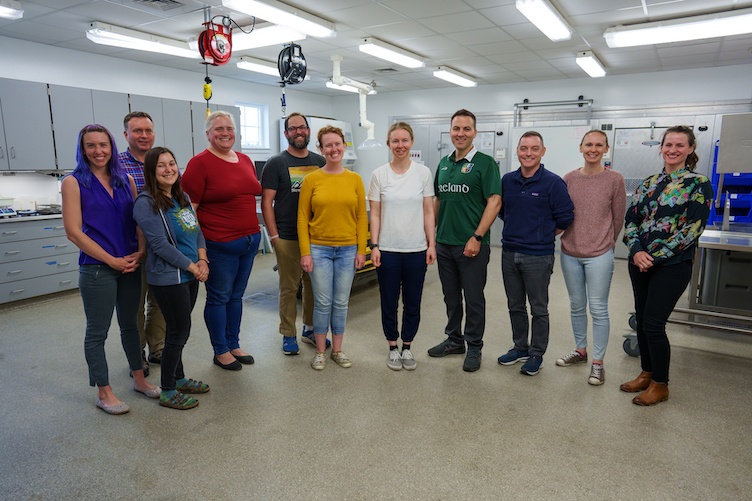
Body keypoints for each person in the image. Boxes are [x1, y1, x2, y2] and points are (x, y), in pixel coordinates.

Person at [62, 124, 160, 415]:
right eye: (91, 146)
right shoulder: (73, 182)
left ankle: (139, 379)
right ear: (83, 150)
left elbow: (137, 220)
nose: (98, 151)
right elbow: (74, 232)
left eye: (103, 145)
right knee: (98, 331)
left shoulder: (126, 179)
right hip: (97, 269)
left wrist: (141, 251)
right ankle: (103, 391)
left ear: (111, 146)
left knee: (131, 324)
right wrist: (110, 260)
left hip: (130, 264)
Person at [621, 125, 712, 406]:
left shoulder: (699, 184)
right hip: (640, 262)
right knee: (642, 319)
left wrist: (655, 257)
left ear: (690, 149)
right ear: (661, 148)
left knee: (654, 323)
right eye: (668, 145)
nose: (673, 150)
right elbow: (632, 219)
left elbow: (692, 229)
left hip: (672, 264)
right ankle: (647, 372)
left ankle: (661, 384)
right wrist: (636, 251)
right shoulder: (648, 183)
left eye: (679, 145)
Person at [182, 111, 262, 371]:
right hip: (219, 244)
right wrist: (199, 250)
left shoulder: (245, 160)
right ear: (208, 134)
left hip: (249, 242)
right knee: (219, 298)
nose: (225, 133)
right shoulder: (200, 163)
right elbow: (187, 212)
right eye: (218, 129)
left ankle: (233, 343)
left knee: (236, 297)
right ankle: (220, 350)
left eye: (229, 128)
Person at [133, 147, 210, 410]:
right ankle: (167, 389)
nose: (169, 169)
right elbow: (160, 246)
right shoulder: (146, 203)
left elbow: (196, 231)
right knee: (178, 332)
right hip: (169, 277)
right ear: (151, 172)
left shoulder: (182, 196)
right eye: (161, 166)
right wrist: (192, 266)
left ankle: (179, 378)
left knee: (179, 329)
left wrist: (202, 260)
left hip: (190, 273)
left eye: (172, 163)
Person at [427, 109, 501, 372]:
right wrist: (430, 237)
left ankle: (475, 346)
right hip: (445, 243)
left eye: (466, 129)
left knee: (473, 298)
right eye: (456, 128)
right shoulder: (444, 163)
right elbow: (438, 200)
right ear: (450, 131)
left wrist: (477, 236)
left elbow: (494, 201)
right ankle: (454, 340)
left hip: (471, 245)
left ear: (474, 133)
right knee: (450, 297)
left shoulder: (485, 163)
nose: (460, 133)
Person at [497, 131, 574, 376]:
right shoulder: (507, 180)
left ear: (542, 152)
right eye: (523, 148)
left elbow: (565, 219)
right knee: (515, 305)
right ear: (517, 151)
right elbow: (503, 212)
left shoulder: (553, 183)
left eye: (534, 148)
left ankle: (536, 353)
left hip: (538, 256)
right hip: (509, 252)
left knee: (538, 307)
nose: (528, 153)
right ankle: (520, 347)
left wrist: (541, 234)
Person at [556, 130, 626, 385]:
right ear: (581, 147)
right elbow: (562, 214)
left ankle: (598, 363)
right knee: (576, 305)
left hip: (599, 254)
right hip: (570, 252)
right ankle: (581, 350)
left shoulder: (615, 179)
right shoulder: (568, 179)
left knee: (598, 309)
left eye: (598, 145)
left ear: (606, 149)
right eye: (589, 144)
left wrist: (606, 242)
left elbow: (618, 218)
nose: (593, 149)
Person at [298, 125, 367, 371]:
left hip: (348, 249)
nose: (333, 149)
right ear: (321, 149)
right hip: (319, 249)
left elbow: (361, 217)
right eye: (328, 145)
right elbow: (303, 217)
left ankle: (337, 350)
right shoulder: (312, 180)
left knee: (341, 302)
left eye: (337, 144)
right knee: (323, 301)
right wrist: (305, 252)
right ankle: (319, 351)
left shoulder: (355, 179)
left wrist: (361, 250)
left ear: (344, 146)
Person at [368, 122, 436, 371]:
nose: (400, 145)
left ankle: (407, 346)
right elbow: (374, 214)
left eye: (404, 140)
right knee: (388, 301)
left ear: (412, 142)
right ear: (388, 144)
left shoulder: (423, 173)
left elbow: (428, 211)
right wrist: (374, 245)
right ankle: (392, 347)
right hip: (387, 249)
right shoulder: (379, 175)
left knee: (413, 301)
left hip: (416, 249)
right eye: (395, 141)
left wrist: (431, 244)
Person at [261, 112, 327, 356]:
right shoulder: (276, 163)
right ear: (286, 133)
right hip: (287, 236)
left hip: (315, 236)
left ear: (308, 130)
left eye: (303, 127)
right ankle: (288, 334)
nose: (299, 132)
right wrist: (274, 237)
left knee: (313, 285)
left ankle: (309, 329)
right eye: (293, 128)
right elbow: (266, 203)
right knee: (289, 288)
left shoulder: (320, 162)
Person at [118, 111, 166, 374]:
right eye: (137, 131)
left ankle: (157, 347)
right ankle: (138, 355)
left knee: (159, 299)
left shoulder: (162, 161)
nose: (144, 135)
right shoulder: (115, 166)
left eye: (148, 130)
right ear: (126, 134)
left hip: (162, 246)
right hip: (131, 248)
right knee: (134, 304)